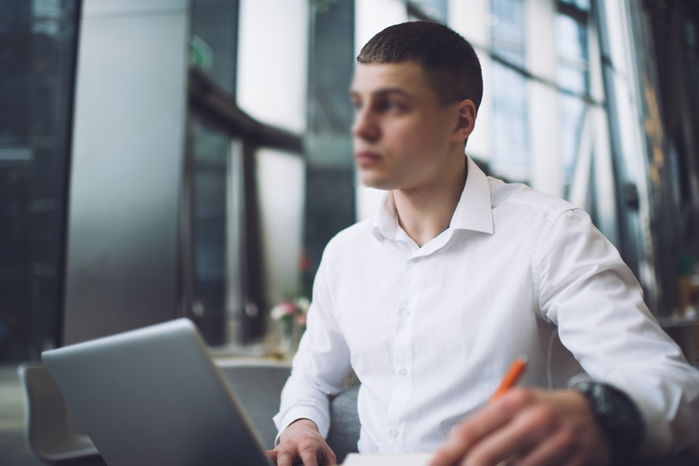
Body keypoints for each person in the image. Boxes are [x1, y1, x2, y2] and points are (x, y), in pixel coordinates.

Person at [269, 21, 699, 466]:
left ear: (461, 120)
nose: (362, 129)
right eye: (358, 106)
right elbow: (311, 379)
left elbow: (674, 388)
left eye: (393, 107)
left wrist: (604, 417)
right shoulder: (346, 253)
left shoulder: (550, 234)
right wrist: (301, 425)